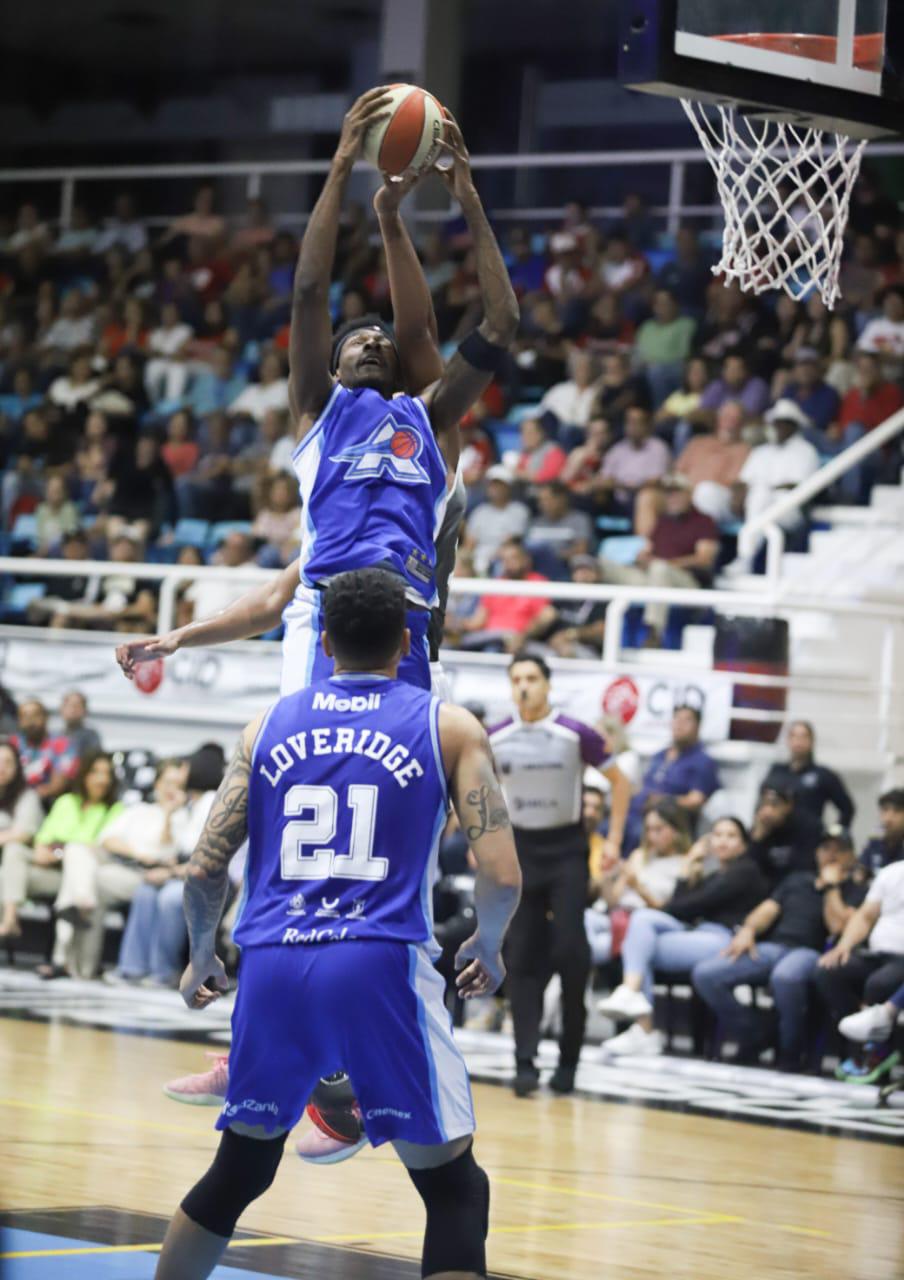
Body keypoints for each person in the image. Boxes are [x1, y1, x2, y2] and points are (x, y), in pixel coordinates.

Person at [151, 569, 521, 1280]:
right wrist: (489, 944)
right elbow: (501, 874)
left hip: (273, 965)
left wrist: (201, 955)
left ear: (322, 640)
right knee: (453, 1188)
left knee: (240, 1170)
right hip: (378, 965)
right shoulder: (447, 726)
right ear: (407, 640)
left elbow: (203, 868)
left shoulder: (264, 726)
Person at [488, 653, 630, 1097]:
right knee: (522, 957)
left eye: (531, 678)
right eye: (516, 679)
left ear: (547, 685)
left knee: (572, 952)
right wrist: (485, 843)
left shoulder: (574, 733)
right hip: (521, 852)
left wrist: (612, 842)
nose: (524, 686)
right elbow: (476, 790)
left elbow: (621, 783)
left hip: (567, 849)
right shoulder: (496, 737)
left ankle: (568, 1062)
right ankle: (524, 1062)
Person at [693, 827, 868, 1070]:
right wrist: (748, 929)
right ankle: (756, 1032)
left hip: (813, 952)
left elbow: (837, 925)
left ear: (851, 856)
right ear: (817, 852)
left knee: (785, 977)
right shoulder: (798, 880)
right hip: (774, 947)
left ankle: (789, 1053)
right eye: (826, 848)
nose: (832, 855)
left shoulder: (855, 890)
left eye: (840, 850)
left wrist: (830, 887)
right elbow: (767, 910)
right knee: (706, 974)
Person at [599, 816, 769, 1058]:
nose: (722, 841)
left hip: (721, 940)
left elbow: (685, 906)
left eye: (731, 836)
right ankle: (639, 1017)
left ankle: (639, 1016)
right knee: (641, 934)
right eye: (717, 835)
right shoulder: (713, 875)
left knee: (640, 937)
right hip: (698, 935)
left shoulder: (745, 871)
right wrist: (689, 865)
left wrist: (686, 867)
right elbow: (680, 906)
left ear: (743, 843)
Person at [106, 747, 224, 987]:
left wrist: (169, 871)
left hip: (207, 878)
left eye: (183, 772)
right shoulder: (187, 805)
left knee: (170, 897)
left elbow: (204, 858)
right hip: (179, 873)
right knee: (146, 892)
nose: (178, 780)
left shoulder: (208, 803)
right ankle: (132, 967)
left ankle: (165, 971)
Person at [29, 751, 124, 978]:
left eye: (107, 774)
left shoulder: (116, 810)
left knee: (76, 856)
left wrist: (65, 849)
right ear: (83, 776)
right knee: (75, 857)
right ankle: (82, 903)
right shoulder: (65, 802)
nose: (102, 779)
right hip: (59, 872)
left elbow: (102, 847)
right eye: (95, 772)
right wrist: (65, 851)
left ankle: (60, 960)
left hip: (95, 870)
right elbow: (41, 845)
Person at [598, 473, 720, 645]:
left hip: (687, 582)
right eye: (669, 493)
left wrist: (669, 564)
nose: (673, 498)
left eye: (677, 493)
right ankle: (593, 625)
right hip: (654, 579)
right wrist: (642, 559)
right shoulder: (663, 521)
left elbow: (705, 559)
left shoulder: (703, 521)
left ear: (689, 494)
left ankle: (653, 632)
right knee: (602, 564)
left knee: (659, 569)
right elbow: (646, 550)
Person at [815, 857, 904, 1084]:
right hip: (877, 954)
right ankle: (856, 1045)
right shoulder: (891, 872)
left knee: (879, 983)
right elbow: (865, 916)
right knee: (829, 971)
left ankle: (874, 1056)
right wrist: (843, 946)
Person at [624, 704, 719, 851]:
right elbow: (643, 785)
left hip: (669, 821)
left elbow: (696, 799)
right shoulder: (659, 755)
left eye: (687, 720)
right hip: (638, 813)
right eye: (677, 719)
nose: (679, 724)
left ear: (698, 726)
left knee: (636, 833)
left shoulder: (702, 761)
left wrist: (664, 800)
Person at [736, 399, 821, 552]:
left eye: (784, 423)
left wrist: (766, 489)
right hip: (755, 504)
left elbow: (800, 486)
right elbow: (743, 480)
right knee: (758, 497)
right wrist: (739, 495)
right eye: (776, 423)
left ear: (794, 425)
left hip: (790, 508)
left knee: (760, 496)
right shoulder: (761, 451)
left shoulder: (806, 451)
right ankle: (747, 556)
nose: (779, 427)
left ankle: (746, 557)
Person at [761, 720, 854, 828]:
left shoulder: (823, 775)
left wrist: (833, 836)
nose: (798, 741)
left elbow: (847, 809)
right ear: (788, 740)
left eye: (803, 736)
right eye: (794, 736)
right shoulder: (776, 771)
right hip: (777, 836)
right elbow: (761, 802)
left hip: (810, 838)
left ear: (812, 741)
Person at [673, 399, 750, 523]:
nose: (730, 423)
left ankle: (703, 539)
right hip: (686, 493)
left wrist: (693, 489)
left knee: (706, 491)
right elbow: (678, 472)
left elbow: (731, 483)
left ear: (742, 424)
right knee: (650, 496)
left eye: (735, 419)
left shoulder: (743, 450)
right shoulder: (697, 442)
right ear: (718, 419)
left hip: (720, 498)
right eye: (726, 417)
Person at [0, 740, 46, 940]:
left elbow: (23, 834)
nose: (1, 767)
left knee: (13, 850)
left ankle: (10, 919)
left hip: (31, 864)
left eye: (8, 762)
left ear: (17, 768)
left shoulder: (27, 796)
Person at [747, 784, 824, 890]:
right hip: (765, 889)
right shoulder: (760, 827)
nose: (768, 811)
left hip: (796, 888)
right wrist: (757, 839)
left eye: (774, 804)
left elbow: (804, 869)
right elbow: (748, 869)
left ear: (788, 805)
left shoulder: (808, 826)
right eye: (764, 804)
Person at [10, 698, 78, 806]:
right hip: (12, 801)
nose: (30, 721)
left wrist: (28, 797)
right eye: (24, 717)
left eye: (35, 715)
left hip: (47, 803)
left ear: (46, 718)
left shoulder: (61, 744)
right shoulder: (13, 744)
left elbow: (58, 785)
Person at [464, 466, 531, 573]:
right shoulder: (480, 511)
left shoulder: (519, 510)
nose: (495, 489)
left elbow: (512, 540)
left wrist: (490, 557)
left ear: (508, 487)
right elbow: (470, 542)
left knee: (500, 564)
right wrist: (466, 558)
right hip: (479, 555)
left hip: (501, 557)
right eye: (492, 485)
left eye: (499, 485)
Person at [860, 788, 904, 874]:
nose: (889, 818)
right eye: (885, 810)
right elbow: (860, 877)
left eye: (897, 810)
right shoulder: (874, 844)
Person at [57, 690, 102, 763]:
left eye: (77, 706)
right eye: (69, 705)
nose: (73, 710)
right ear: (62, 709)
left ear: (85, 711)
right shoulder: (54, 736)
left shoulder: (91, 736)